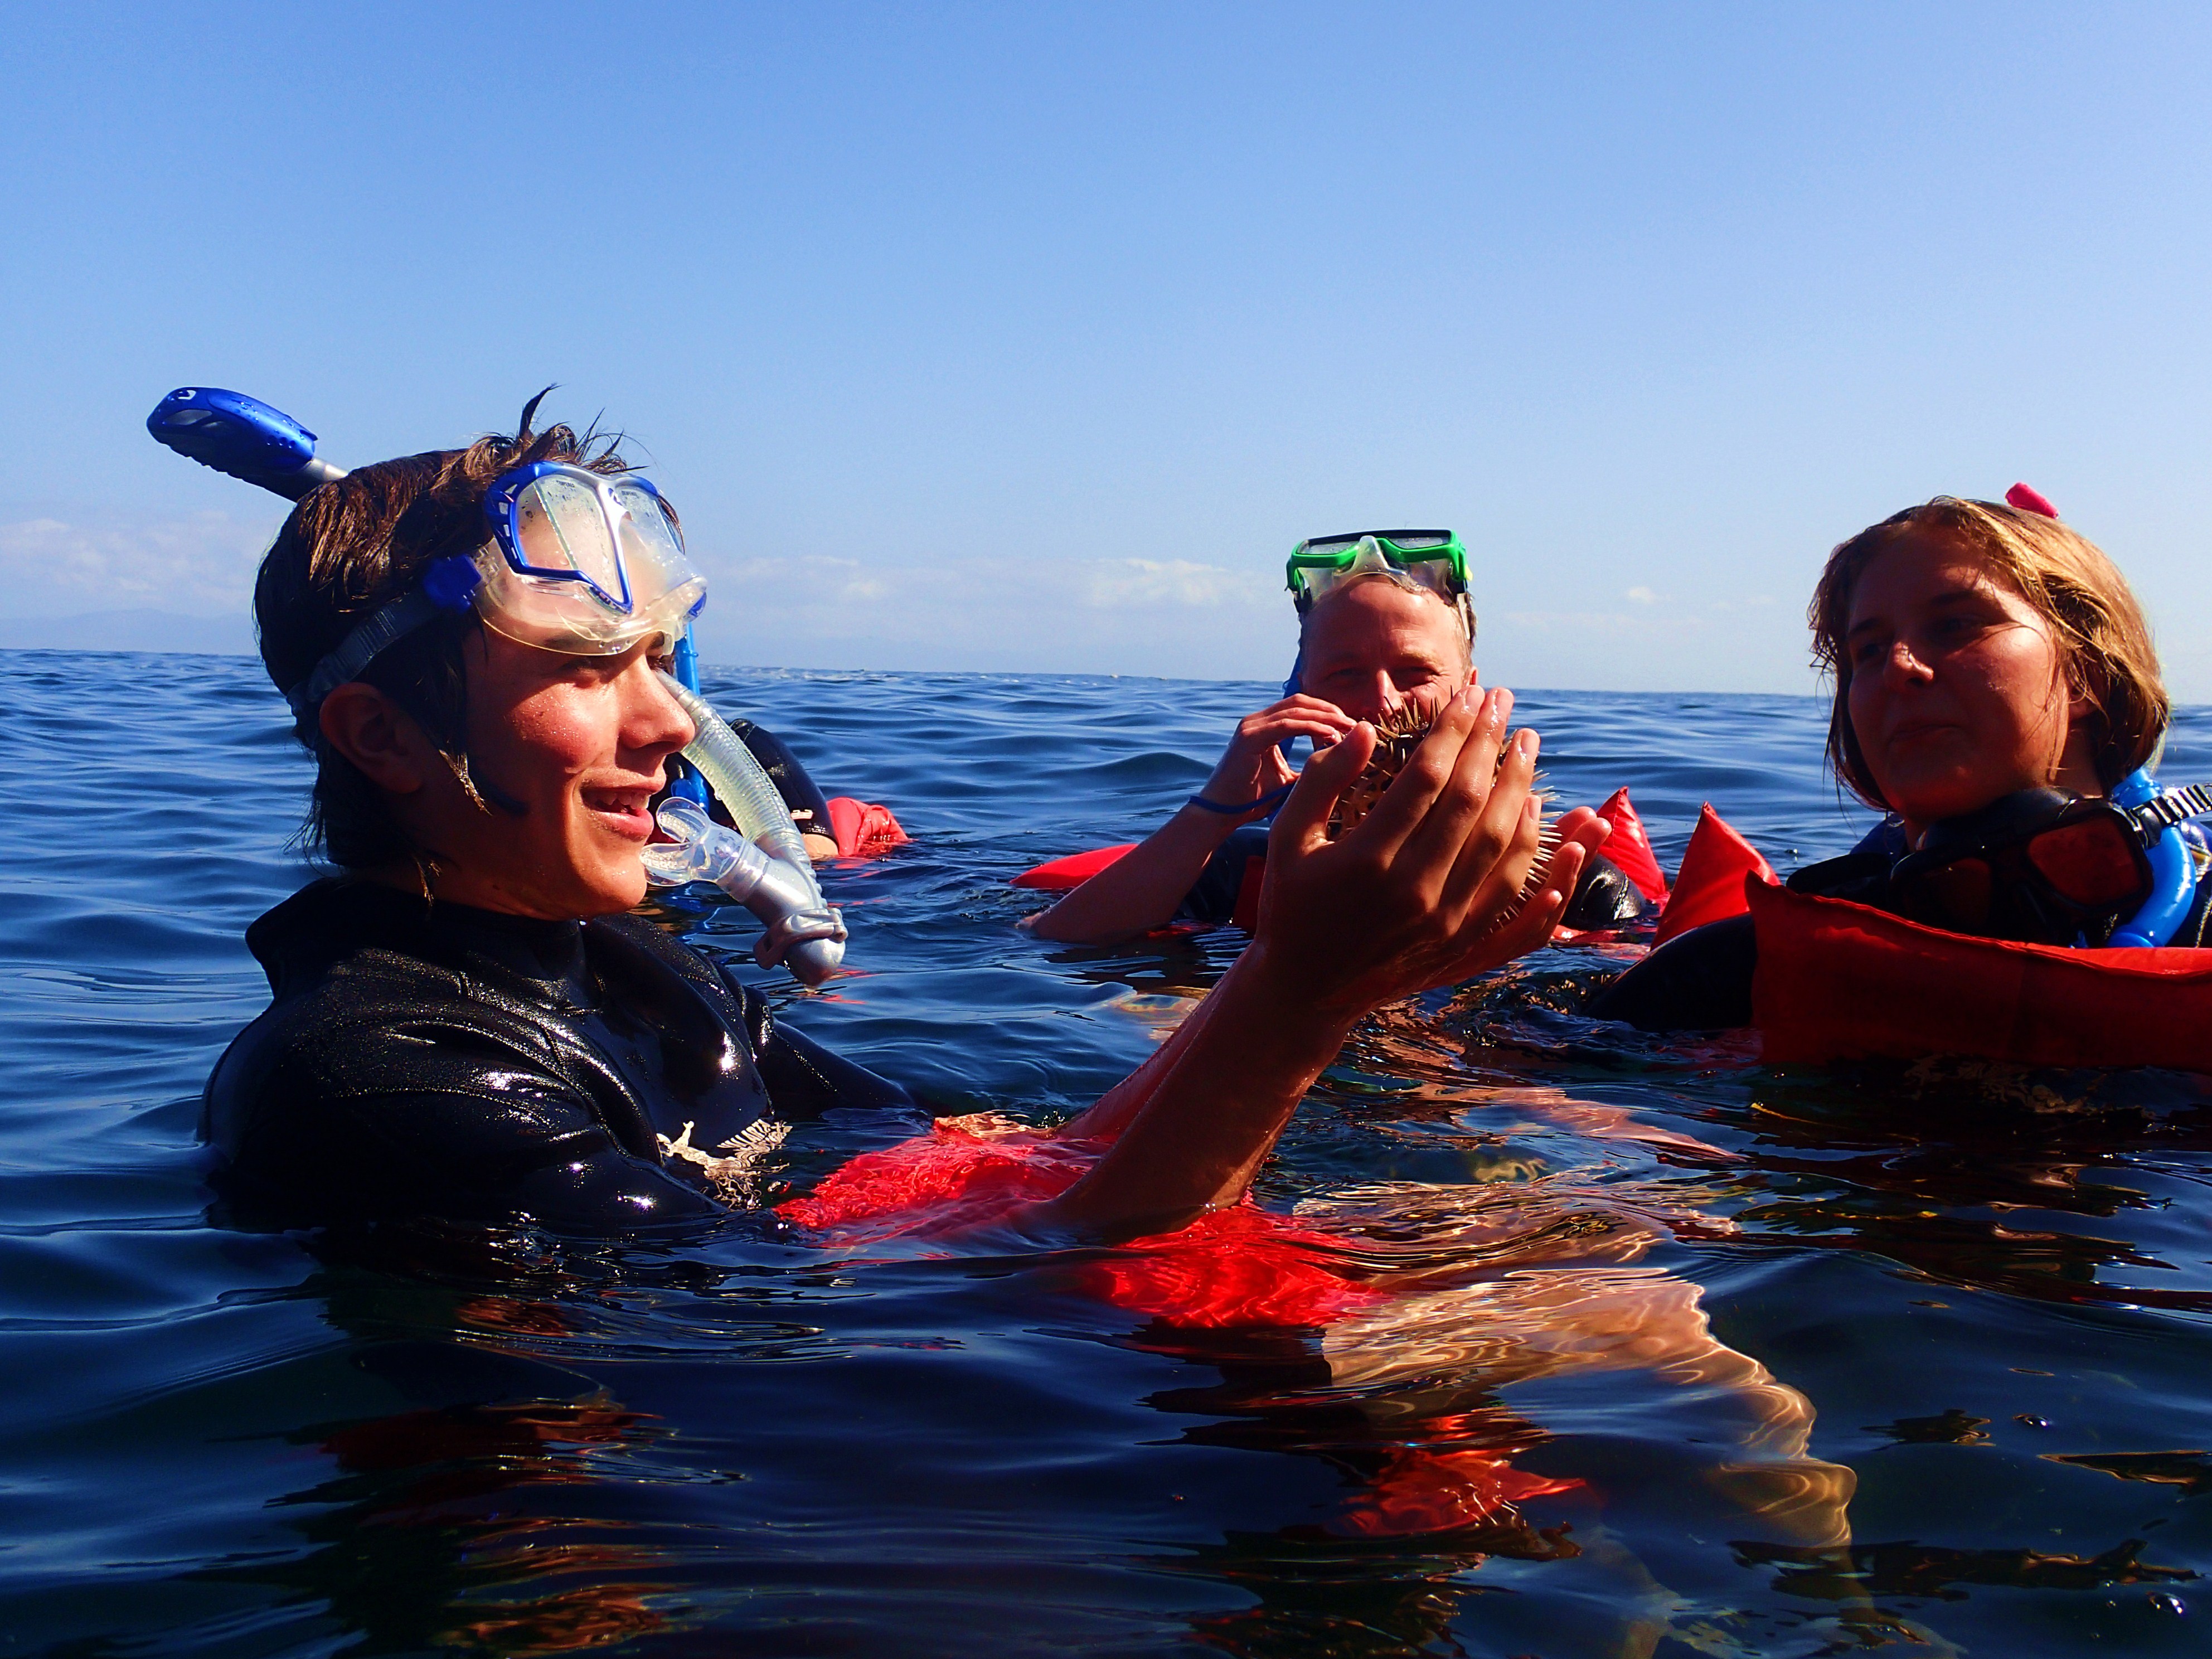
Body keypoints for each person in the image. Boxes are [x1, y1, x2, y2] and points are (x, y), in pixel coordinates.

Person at [204, 406, 1608, 1241]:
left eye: (661, 662)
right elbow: (993, 1293)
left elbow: (1021, 1168)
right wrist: (1300, 998)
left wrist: (1338, 985)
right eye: (585, 669)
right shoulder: (377, 1077)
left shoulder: (642, 976)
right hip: (690, 1559)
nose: (675, 725)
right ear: (379, 736)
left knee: (1567, 1274)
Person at [1593, 492, 2210, 1031]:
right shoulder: (1725, 972)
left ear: (2085, 674)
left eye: (1956, 625)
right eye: (1867, 649)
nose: (1897, 666)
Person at [1029, 530, 1647, 944]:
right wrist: (1211, 814)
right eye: (1345, 674)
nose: (1382, 701)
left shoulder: (1575, 882)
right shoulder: (1250, 869)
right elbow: (1052, 945)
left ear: (1470, 691)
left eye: (1415, 673)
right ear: (1301, 692)